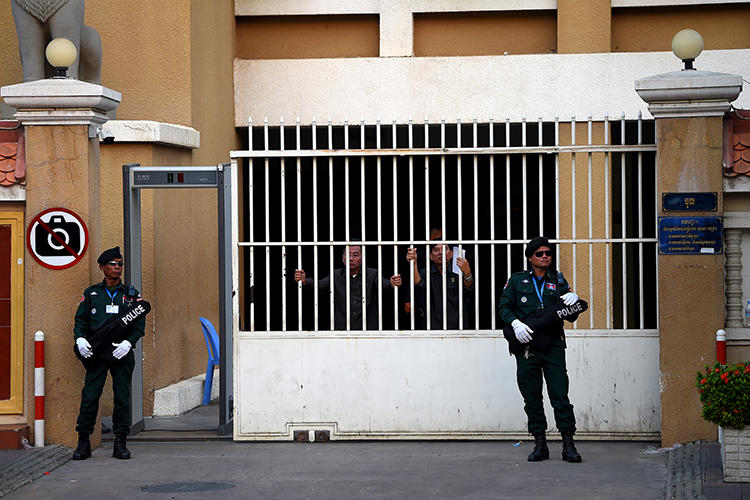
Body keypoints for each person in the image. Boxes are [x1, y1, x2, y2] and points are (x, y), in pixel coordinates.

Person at [498, 237, 582, 463]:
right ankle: (540, 443)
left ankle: (568, 444)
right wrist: (515, 323)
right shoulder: (517, 281)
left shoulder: (558, 280)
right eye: (539, 253)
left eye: (548, 252)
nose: (545, 256)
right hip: (527, 347)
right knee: (531, 395)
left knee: (559, 394)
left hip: (553, 345)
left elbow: (571, 315)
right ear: (530, 257)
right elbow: (504, 308)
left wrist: (574, 300)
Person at [72, 247, 146, 460]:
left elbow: (139, 325)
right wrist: (80, 338)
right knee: (90, 396)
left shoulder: (130, 295)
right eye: (112, 264)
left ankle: (120, 442)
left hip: (121, 353)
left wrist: (128, 343)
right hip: (97, 353)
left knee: (122, 398)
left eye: (120, 264)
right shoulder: (92, 293)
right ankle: (83, 441)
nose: (117, 268)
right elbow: (81, 320)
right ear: (102, 267)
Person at [294, 245, 402, 330]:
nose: (351, 258)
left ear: (362, 258)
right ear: (343, 258)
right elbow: (320, 286)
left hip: (368, 329)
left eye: (355, 255)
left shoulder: (372, 274)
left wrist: (392, 283)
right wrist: (304, 281)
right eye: (348, 255)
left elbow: (384, 285)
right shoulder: (336, 275)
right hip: (342, 328)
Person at [405, 242, 474, 330]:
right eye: (436, 250)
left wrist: (467, 273)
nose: (441, 252)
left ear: (452, 253)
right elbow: (418, 284)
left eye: (445, 249)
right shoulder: (426, 273)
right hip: (432, 329)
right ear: (431, 256)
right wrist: (413, 263)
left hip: (458, 329)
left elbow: (469, 288)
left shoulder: (458, 272)